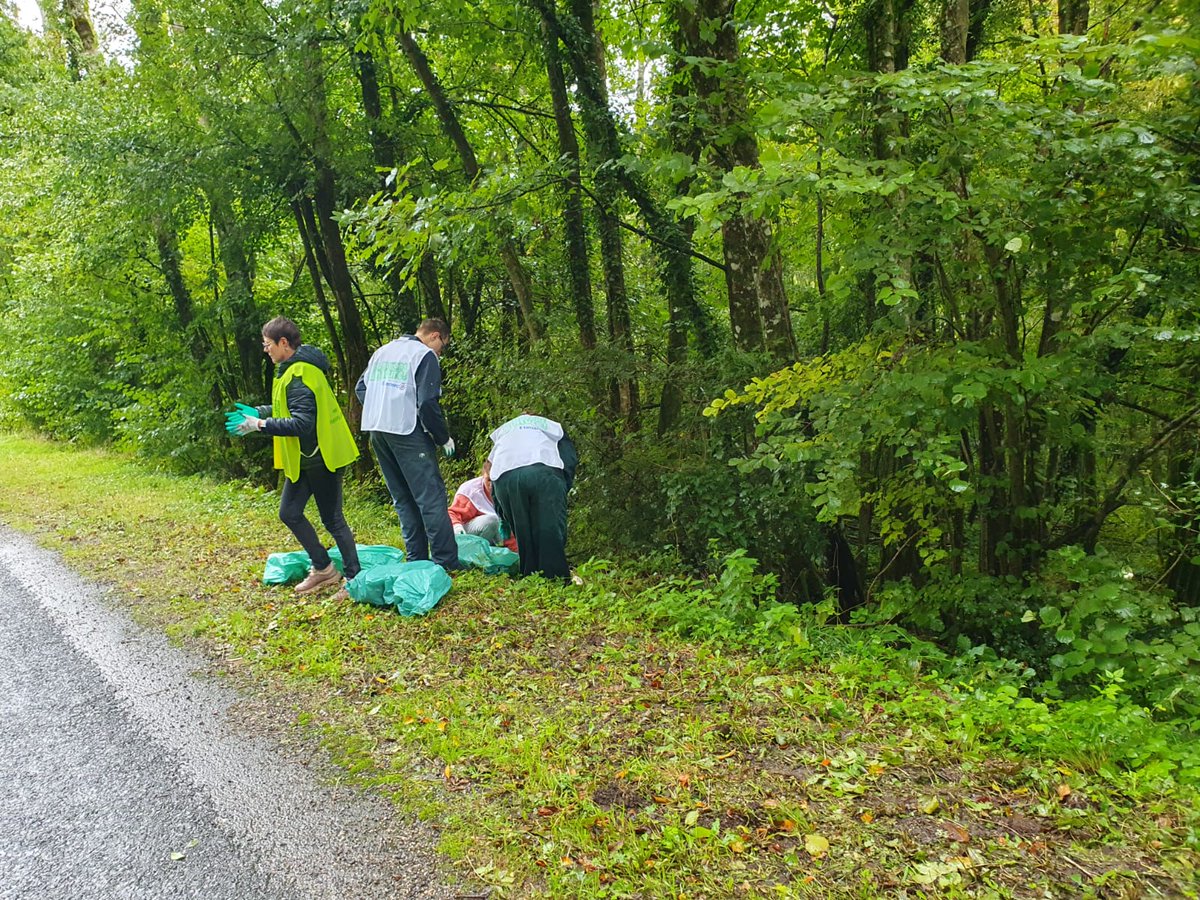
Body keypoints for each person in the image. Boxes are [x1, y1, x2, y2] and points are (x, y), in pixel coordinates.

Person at [229, 316, 361, 596]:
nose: (266, 350)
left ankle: (354, 579)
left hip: (321, 457)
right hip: (304, 460)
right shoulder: (288, 371)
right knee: (289, 512)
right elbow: (284, 407)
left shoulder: (300, 374)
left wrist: (260, 426)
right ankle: (324, 569)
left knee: (333, 520)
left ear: (283, 343)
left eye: (268, 345)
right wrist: (259, 412)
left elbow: (302, 423)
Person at [355, 318, 461, 571]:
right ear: (435, 336)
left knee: (403, 497)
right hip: (407, 431)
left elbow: (361, 388)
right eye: (442, 346)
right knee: (430, 497)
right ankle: (445, 561)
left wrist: (382, 407)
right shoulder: (423, 355)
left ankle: (416, 558)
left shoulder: (383, 351)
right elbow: (427, 403)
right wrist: (442, 437)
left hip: (378, 431)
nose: (440, 353)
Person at [487, 413, 577, 581]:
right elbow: (569, 458)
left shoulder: (504, 431)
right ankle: (555, 578)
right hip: (543, 470)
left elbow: (493, 471)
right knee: (549, 528)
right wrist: (563, 487)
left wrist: (502, 517)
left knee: (523, 531)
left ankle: (531, 577)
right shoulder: (552, 426)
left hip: (505, 479)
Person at [448, 460, 519, 553]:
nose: (491, 485)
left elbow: (511, 530)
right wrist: (457, 527)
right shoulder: (471, 490)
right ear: (483, 476)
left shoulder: (510, 491)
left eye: (495, 480)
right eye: (488, 480)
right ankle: (476, 555)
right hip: (467, 534)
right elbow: (453, 513)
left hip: (495, 536)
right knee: (491, 521)